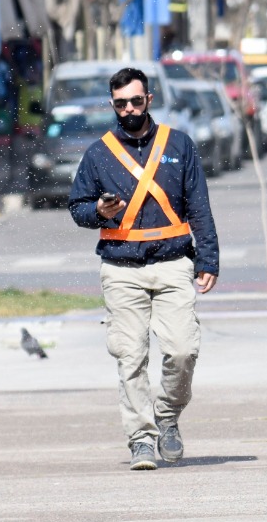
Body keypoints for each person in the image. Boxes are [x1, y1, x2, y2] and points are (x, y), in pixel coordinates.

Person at [69, 67, 220, 471]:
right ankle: (141, 437)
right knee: (130, 357)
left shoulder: (179, 145)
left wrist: (208, 259)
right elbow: (77, 208)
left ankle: (167, 414)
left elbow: (199, 208)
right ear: (112, 105)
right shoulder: (98, 154)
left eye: (136, 101)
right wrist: (98, 210)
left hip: (173, 264)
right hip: (121, 270)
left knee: (183, 350)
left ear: (149, 99)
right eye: (121, 103)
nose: (130, 109)